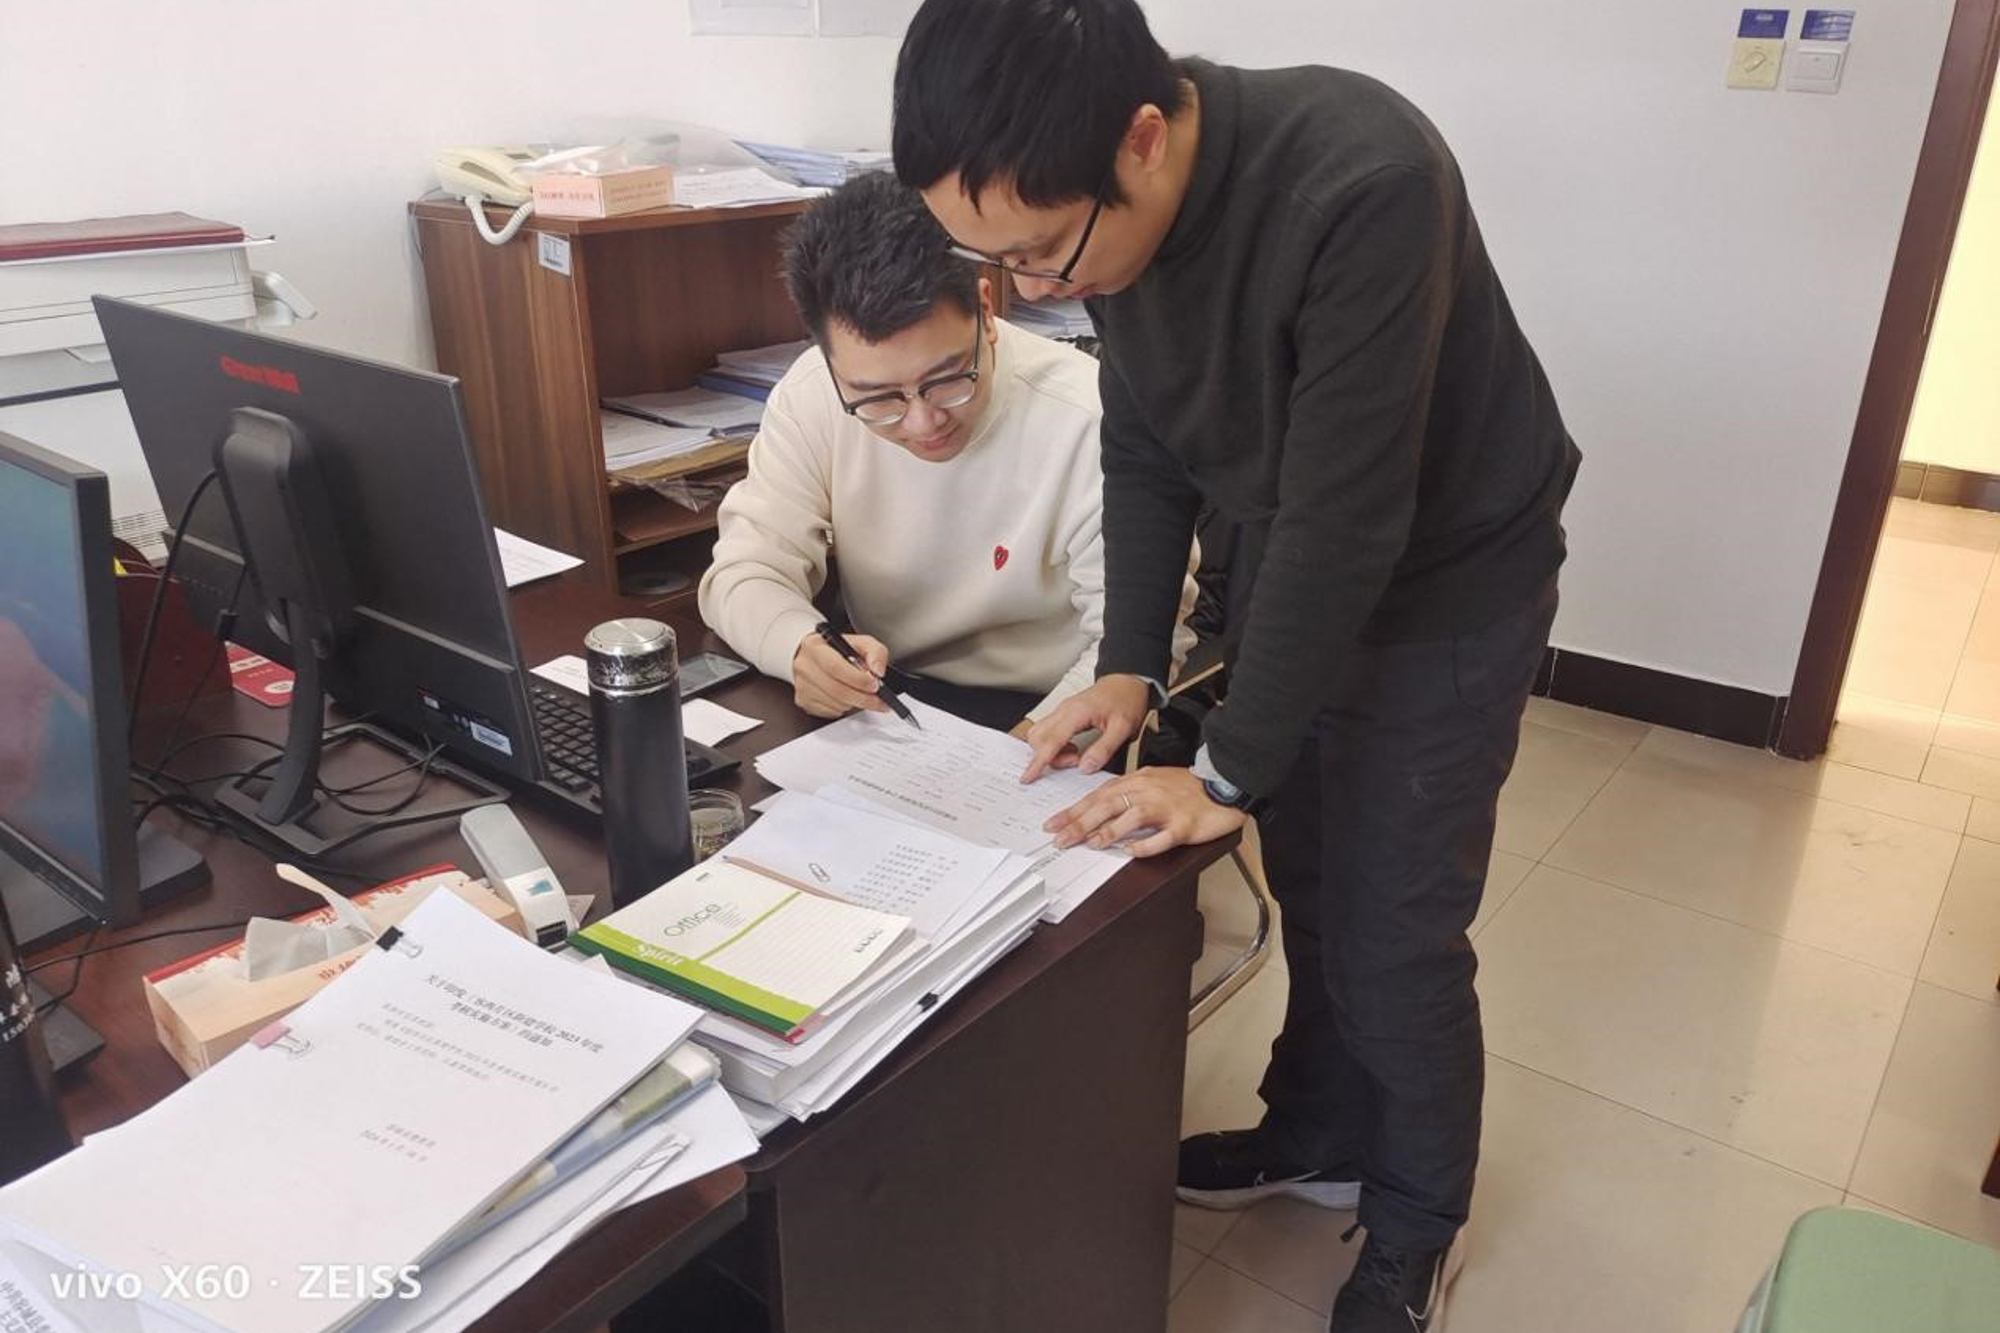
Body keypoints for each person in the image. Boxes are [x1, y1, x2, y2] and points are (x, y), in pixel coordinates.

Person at [892, 3, 1581, 1329]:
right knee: (1311, 876)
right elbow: (1145, 448)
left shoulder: (1364, 182)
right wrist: (1128, 668)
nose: (1024, 291)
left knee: (1393, 932)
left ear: (1142, 141)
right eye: (991, 261)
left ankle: (1417, 1217)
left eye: (1036, 254)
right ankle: (1316, 1126)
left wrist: (1224, 770)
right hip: (1292, 550)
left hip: (1447, 580)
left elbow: (1350, 519)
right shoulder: (1108, 231)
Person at [699, 172, 1193, 735]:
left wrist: (1032, 741)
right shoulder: (814, 393)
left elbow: (1137, 647)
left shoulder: (1089, 417)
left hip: (1048, 703)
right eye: (879, 399)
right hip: (889, 697)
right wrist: (796, 645)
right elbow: (744, 570)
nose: (922, 422)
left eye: (947, 379)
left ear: (985, 310)